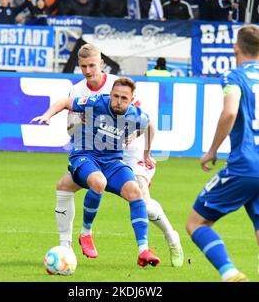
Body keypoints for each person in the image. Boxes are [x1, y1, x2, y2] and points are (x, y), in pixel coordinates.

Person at [185, 24, 259, 282]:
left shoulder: (234, 76)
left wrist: (212, 151)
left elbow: (230, 112)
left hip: (245, 164)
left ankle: (229, 274)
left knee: (196, 223)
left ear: (235, 48)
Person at [52, 44, 184, 267]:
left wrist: (141, 145)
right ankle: (65, 248)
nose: (88, 71)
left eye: (92, 65)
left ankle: (172, 237)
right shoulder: (77, 91)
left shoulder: (118, 86)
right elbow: (70, 129)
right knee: (64, 187)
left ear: (101, 63)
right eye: (83, 66)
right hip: (94, 152)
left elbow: (143, 119)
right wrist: (79, 122)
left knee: (142, 200)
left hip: (128, 153)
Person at [30, 78, 161, 267]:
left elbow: (149, 126)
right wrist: (47, 115)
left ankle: (144, 251)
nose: (117, 101)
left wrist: (146, 153)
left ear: (132, 100)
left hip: (113, 161)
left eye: (124, 98)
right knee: (99, 182)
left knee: (136, 192)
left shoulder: (136, 116)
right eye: (115, 96)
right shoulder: (97, 102)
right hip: (85, 155)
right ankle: (86, 233)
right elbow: (66, 102)